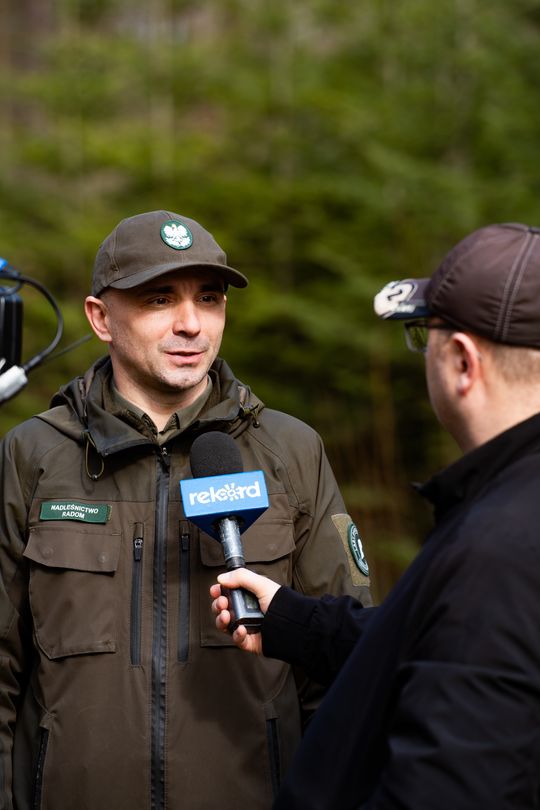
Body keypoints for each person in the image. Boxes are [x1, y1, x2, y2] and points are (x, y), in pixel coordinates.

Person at [0, 209, 372, 810]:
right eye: (158, 299)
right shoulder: (33, 454)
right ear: (101, 318)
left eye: (209, 298)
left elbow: (347, 670)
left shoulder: (291, 451)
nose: (191, 324)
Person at [211, 221, 540, 809]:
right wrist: (294, 618)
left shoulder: (501, 549)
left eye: (423, 335)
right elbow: (440, 644)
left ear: (462, 361)